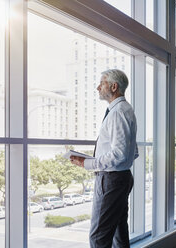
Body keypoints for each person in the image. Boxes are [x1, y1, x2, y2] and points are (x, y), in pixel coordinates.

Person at [70, 69, 138, 248]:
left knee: (98, 236)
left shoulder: (117, 113)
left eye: (102, 83)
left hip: (111, 180)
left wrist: (88, 163)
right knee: (118, 231)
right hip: (119, 178)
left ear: (114, 87)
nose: (98, 87)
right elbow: (132, 151)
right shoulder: (124, 110)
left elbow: (120, 153)